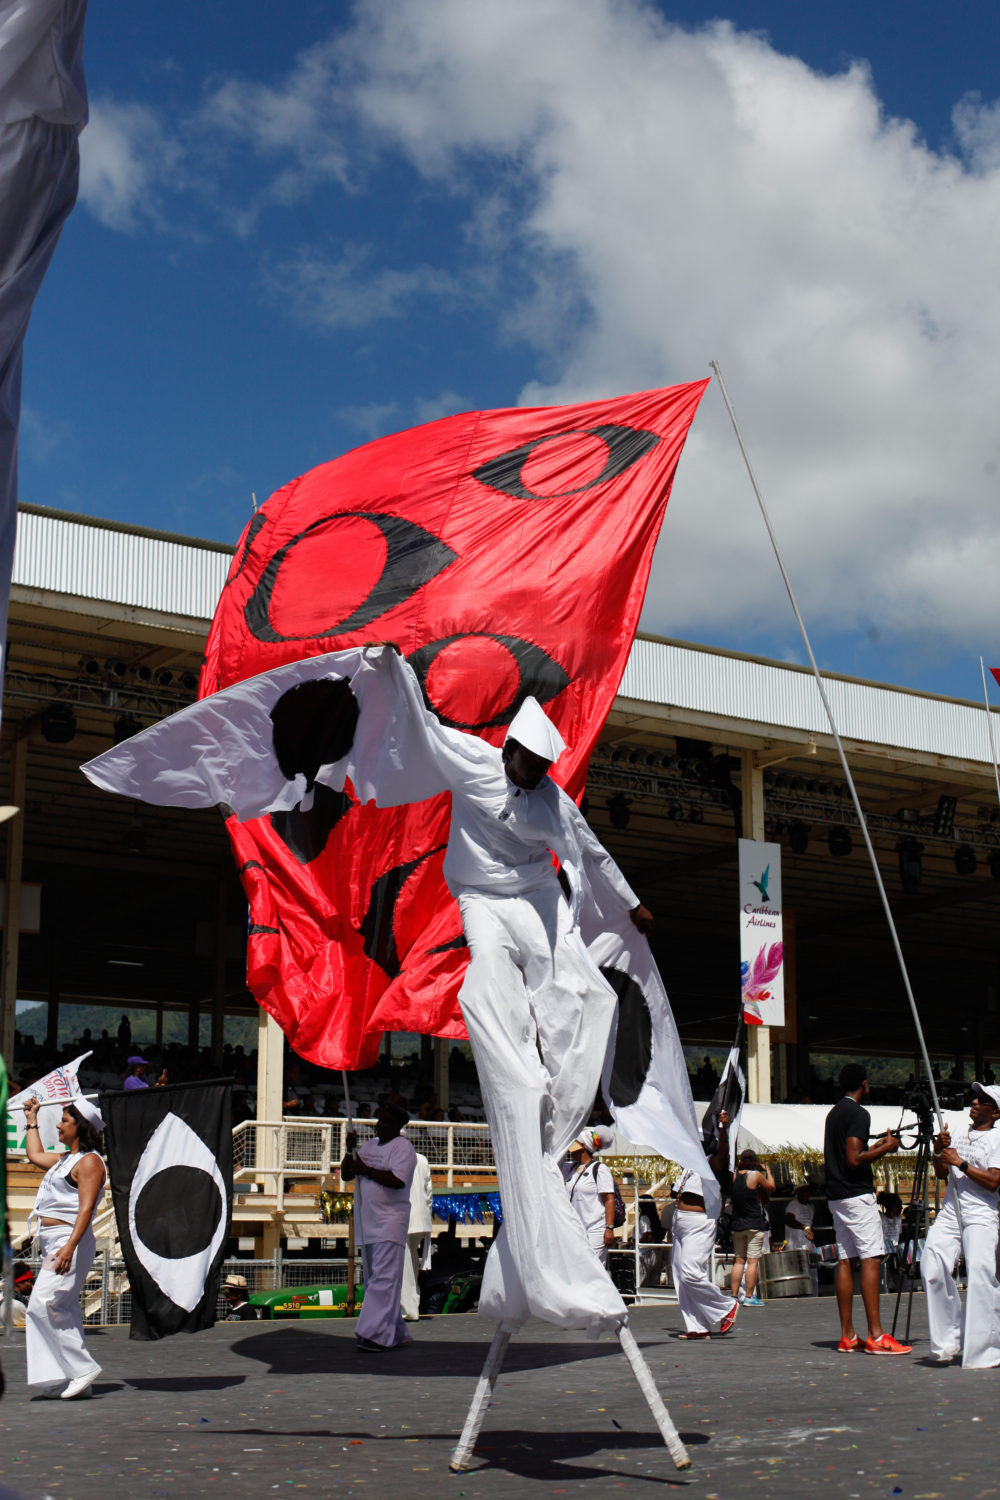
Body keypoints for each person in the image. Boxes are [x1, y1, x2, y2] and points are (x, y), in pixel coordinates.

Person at [22, 1095, 107, 1398]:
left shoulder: (90, 1162)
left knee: (43, 1306)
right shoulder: (66, 1160)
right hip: (55, 1243)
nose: (58, 1125)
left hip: (69, 1241)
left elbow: (85, 1209)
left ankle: (81, 1368)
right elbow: (34, 1154)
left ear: (80, 1127)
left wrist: (70, 1247)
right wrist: (32, 1119)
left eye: (65, 1121)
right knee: (62, 1307)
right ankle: (69, 1377)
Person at [823, 1062, 909, 1354]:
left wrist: (879, 1144)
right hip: (856, 1195)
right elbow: (855, 1158)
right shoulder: (859, 1113)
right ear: (864, 1083)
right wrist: (887, 1148)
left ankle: (848, 1335)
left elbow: (852, 1149)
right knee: (872, 1258)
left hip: (836, 1196)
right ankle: (876, 1335)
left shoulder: (834, 1113)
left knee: (846, 1260)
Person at [920, 1081, 1000, 1367]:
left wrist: (961, 1162)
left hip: (980, 1212)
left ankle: (987, 1350)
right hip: (952, 1209)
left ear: (996, 1112)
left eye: (983, 1100)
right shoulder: (954, 1128)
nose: (975, 1102)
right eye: (975, 1098)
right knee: (931, 1264)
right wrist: (939, 1151)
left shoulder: (998, 1139)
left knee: (980, 1274)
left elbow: (993, 1182)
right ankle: (947, 1342)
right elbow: (941, 1171)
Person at [341, 1099, 417, 1351]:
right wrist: (349, 1149)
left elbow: (397, 1181)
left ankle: (372, 1333)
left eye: (384, 1121)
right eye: (378, 1120)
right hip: (368, 1223)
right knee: (376, 1278)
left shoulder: (403, 1148)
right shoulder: (370, 1145)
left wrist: (367, 1168)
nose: (378, 1125)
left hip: (389, 1222)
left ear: (397, 1125)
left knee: (383, 1280)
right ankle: (394, 1331)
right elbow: (347, 1173)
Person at [670, 1110, 739, 1339]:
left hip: (699, 1222)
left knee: (690, 1272)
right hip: (680, 1222)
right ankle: (697, 1326)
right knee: (680, 1276)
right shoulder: (688, 1166)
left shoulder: (711, 1163)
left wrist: (723, 1130)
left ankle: (726, 1306)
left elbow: (724, 1152)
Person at [561, 1126, 618, 1265]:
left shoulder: (599, 1169)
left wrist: (609, 1228)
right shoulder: (570, 1168)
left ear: (584, 1146)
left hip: (595, 1229)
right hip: (575, 1228)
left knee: (590, 1266)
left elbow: (609, 1200)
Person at [729, 1148, 775, 1307]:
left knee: (739, 1261)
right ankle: (749, 1296)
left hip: (737, 1224)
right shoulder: (755, 1176)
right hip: (754, 1224)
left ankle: (734, 1296)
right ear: (755, 1162)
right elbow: (771, 1187)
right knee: (752, 1261)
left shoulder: (733, 1176)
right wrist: (767, 1170)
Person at [400, 1150, 433, 1321]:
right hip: (420, 1218)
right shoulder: (422, 1158)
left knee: (405, 1266)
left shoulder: (396, 1157)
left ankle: (408, 1310)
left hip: (404, 1217)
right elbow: (428, 1192)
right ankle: (411, 1306)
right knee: (411, 1263)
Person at [784, 1184, 815, 1250]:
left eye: (807, 1190)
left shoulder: (811, 1206)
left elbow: (811, 1226)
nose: (806, 1193)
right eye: (803, 1191)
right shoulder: (793, 1205)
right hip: (795, 1247)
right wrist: (805, 1227)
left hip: (808, 1246)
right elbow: (789, 1221)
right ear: (797, 1192)